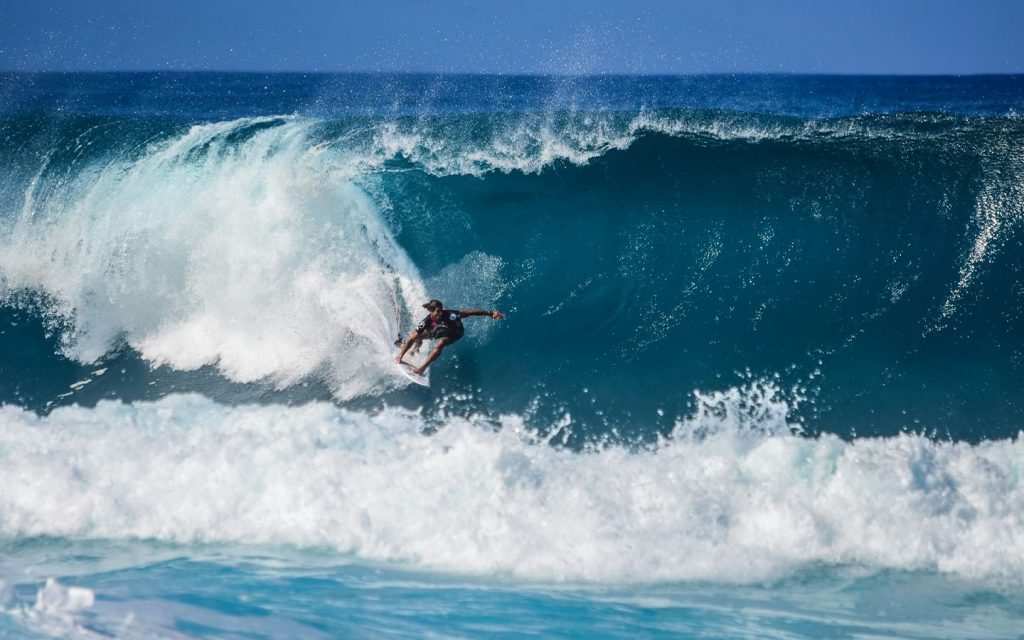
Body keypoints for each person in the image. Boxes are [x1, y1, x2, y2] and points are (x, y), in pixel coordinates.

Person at [395, 299, 505, 375]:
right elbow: (412, 337)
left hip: (455, 333)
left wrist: (490, 313)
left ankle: (421, 369)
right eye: (438, 311)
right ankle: (414, 350)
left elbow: (469, 312)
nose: (440, 313)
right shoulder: (426, 321)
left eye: (441, 310)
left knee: (440, 343)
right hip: (439, 329)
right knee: (417, 337)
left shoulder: (450, 315)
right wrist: (400, 356)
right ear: (431, 312)